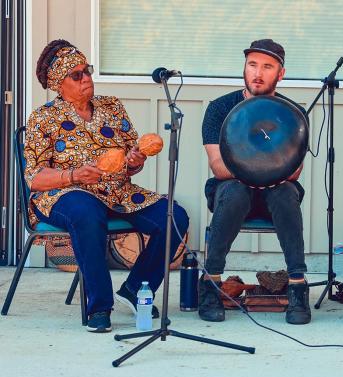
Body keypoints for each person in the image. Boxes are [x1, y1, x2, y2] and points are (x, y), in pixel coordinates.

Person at [25, 40, 189, 333]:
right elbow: (34, 177)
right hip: (64, 194)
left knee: (174, 216)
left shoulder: (112, 106)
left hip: (118, 192)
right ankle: (99, 306)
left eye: (86, 70)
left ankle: (136, 288)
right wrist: (74, 176)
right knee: (86, 212)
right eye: (76, 75)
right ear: (58, 84)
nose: (86, 78)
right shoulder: (43, 118)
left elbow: (131, 158)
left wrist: (136, 160)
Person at [200, 39, 310, 325]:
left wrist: (264, 174)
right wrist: (258, 172)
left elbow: (293, 171)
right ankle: (211, 283)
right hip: (233, 188)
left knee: (286, 194)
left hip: (276, 188)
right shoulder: (220, 108)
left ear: (280, 74)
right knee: (235, 192)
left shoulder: (293, 112)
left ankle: (298, 286)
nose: (258, 73)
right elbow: (218, 165)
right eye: (252, 65)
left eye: (267, 66)